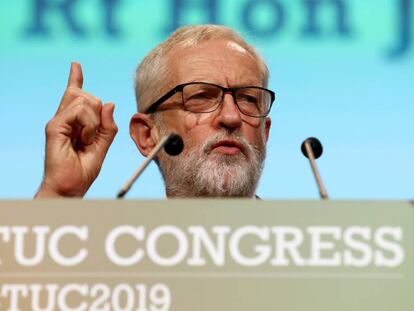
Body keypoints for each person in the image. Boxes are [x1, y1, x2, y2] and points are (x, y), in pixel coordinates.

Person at [34, 24, 275, 198]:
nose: (231, 117)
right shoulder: (117, 254)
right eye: (201, 97)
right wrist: (59, 194)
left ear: (265, 133)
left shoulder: (308, 253)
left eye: (248, 99)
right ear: (147, 136)